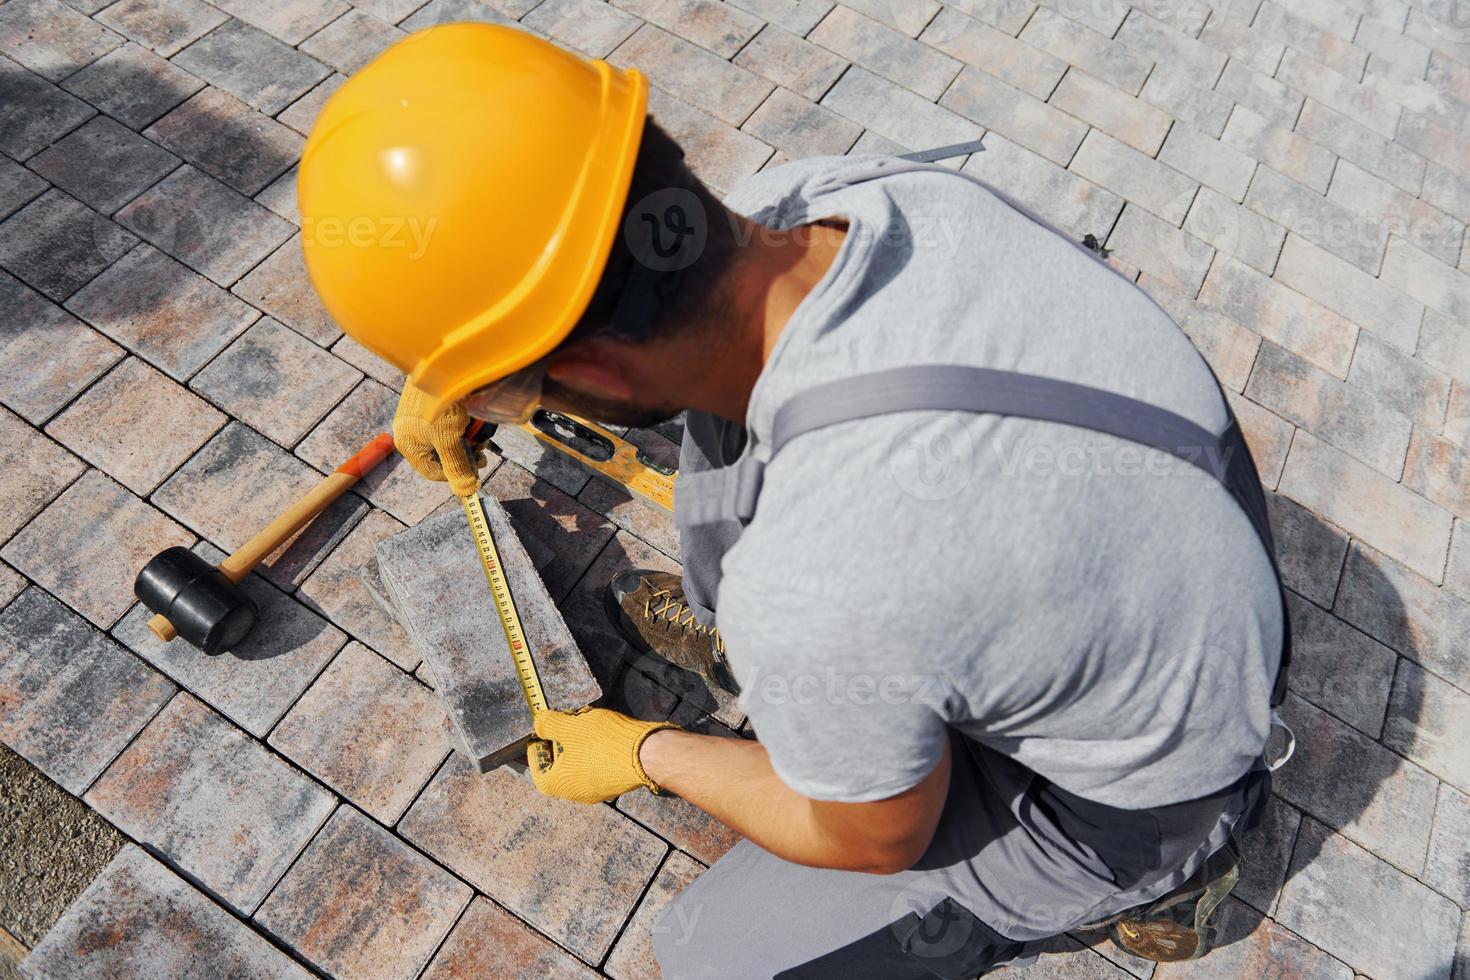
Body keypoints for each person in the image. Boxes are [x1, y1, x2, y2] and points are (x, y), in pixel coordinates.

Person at [299, 22, 1290, 977]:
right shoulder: (835, 194)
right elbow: (644, 334)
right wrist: (472, 368)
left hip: (1144, 788)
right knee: (729, 440)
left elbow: (865, 836)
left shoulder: (821, 578)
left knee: (727, 954)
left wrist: (646, 749)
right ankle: (863, 689)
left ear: (588, 363)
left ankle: (1176, 877)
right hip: (1142, 568)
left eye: (516, 390)